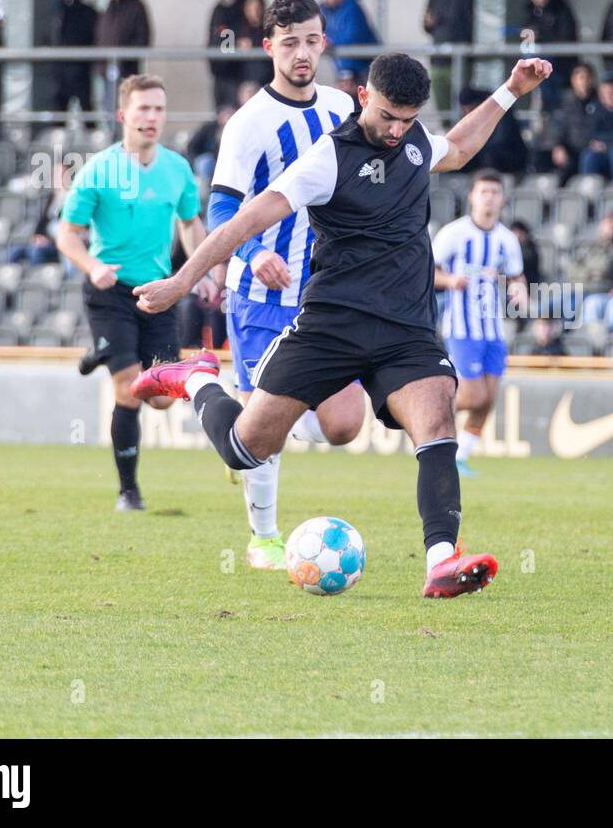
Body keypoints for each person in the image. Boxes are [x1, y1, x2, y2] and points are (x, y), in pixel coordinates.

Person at [129, 52, 553, 599]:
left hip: (406, 329)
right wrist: (182, 282)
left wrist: (511, 90)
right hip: (330, 325)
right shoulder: (326, 159)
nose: (397, 131)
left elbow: (464, 146)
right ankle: (196, 379)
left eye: (408, 118)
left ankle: (441, 560)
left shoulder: (417, 140)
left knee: (437, 424)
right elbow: (244, 220)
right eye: (387, 117)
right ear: (362, 99)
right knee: (245, 449)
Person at [204, 0, 365, 568]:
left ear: (324, 43)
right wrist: (250, 254)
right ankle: (264, 538)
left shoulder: (344, 111)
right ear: (269, 46)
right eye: (290, 42)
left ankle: (250, 428)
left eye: (312, 40)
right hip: (261, 299)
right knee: (264, 440)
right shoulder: (249, 123)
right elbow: (219, 211)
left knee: (345, 425)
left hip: (326, 296)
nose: (302, 53)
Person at [54, 74, 216, 514]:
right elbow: (67, 235)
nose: (152, 117)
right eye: (143, 109)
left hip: (159, 295)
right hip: (110, 294)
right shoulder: (99, 170)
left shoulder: (177, 169)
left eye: (159, 109)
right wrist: (92, 265)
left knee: (162, 398)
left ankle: (102, 352)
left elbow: (189, 223)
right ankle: (129, 491)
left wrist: (199, 270)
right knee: (128, 390)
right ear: (124, 114)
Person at [432, 170, 527, 477]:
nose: (489, 197)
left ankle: (460, 458)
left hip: (493, 329)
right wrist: (449, 280)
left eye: (495, 192)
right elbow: (427, 272)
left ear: (502, 198)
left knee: (488, 400)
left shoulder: (506, 239)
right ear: (472, 196)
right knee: (473, 396)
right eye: (484, 191)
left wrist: (519, 289)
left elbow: (516, 275)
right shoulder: (454, 234)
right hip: (462, 328)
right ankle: (429, 421)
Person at [423, 0, 475, 114]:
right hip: (439, 59)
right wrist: (428, 22)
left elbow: (471, 25)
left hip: (460, 58)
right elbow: (426, 25)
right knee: (441, 100)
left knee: (462, 101)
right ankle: (447, 130)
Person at [522, 0, 578, 111]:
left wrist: (541, 36)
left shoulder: (561, 10)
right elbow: (527, 40)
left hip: (561, 65)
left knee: (559, 103)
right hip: (541, 66)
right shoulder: (530, 12)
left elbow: (566, 37)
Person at [50, 0, 98, 116]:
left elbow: (93, 37)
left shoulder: (88, 12)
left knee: (87, 111)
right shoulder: (54, 11)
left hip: (80, 70)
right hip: (59, 71)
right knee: (58, 113)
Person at [542, 62, 596, 183]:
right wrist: (557, 145)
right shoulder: (564, 102)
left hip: (590, 148)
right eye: (581, 77)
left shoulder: (598, 101)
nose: (584, 81)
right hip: (570, 148)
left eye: (587, 77)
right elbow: (556, 125)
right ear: (573, 80)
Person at [321, 0, 378, 88]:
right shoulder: (324, 9)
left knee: (363, 98)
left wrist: (331, 42)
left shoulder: (353, 8)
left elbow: (354, 36)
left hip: (362, 66)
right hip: (341, 67)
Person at [96, 0, 153, 83]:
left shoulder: (136, 6)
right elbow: (100, 34)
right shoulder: (109, 6)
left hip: (128, 69)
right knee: (109, 99)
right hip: (107, 67)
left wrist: (127, 56)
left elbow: (143, 37)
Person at [457, 87, 526, 175]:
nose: (468, 112)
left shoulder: (498, 108)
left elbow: (502, 138)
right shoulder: (472, 116)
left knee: (490, 153)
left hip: (508, 155)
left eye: (470, 108)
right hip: (486, 153)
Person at [569, 209, 613, 299]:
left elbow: (606, 267)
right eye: (607, 223)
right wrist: (590, 274)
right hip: (579, 290)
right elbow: (572, 270)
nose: (611, 227)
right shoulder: (591, 245)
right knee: (545, 307)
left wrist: (587, 268)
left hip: (600, 293)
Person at [207, 0, 249, 109]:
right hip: (220, 66)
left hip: (240, 68)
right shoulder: (219, 7)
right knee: (221, 107)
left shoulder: (245, 4)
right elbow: (213, 34)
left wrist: (235, 42)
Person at [236, 0, 272, 87]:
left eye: (257, 8)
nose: (254, 12)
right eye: (250, 9)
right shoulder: (238, 29)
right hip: (245, 81)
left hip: (267, 80)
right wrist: (237, 45)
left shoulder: (270, 29)